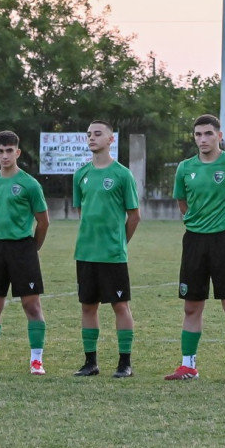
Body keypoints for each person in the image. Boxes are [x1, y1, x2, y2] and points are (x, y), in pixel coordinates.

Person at [166, 114, 225, 382]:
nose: (202, 139)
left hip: (224, 241)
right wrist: (198, 224)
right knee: (191, 306)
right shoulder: (185, 168)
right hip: (194, 240)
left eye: (207, 134)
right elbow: (183, 203)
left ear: (219, 136)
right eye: (198, 134)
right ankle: (188, 366)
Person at [0, 131, 51, 376]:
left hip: (23, 248)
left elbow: (43, 222)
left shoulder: (30, 184)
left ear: (17, 152)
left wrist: (32, 248)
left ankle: (36, 361)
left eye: (9, 150)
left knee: (31, 305)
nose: (5, 155)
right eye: (0, 151)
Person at [71, 121, 141, 378]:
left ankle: (125, 363)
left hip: (112, 254)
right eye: (88, 134)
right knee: (88, 307)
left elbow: (134, 215)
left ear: (111, 140)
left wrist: (120, 242)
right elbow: (82, 212)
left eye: (98, 134)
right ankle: (90, 362)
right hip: (86, 252)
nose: (92, 138)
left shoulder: (122, 174)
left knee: (120, 305)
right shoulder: (80, 174)